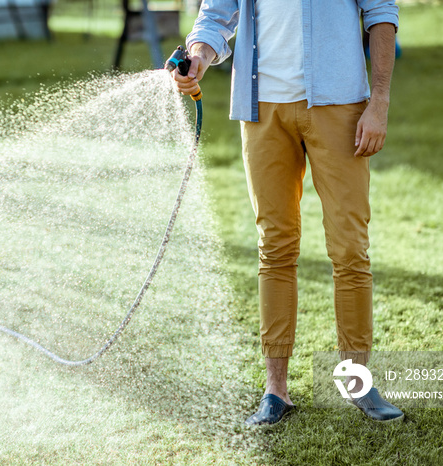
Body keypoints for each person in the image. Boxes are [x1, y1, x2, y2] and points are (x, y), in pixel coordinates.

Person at [171, 0, 404, 425]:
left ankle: (359, 384)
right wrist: (200, 56)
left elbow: (381, 14)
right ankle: (276, 391)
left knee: (350, 247)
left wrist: (380, 101)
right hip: (261, 110)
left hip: (340, 105)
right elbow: (215, 16)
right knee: (274, 248)